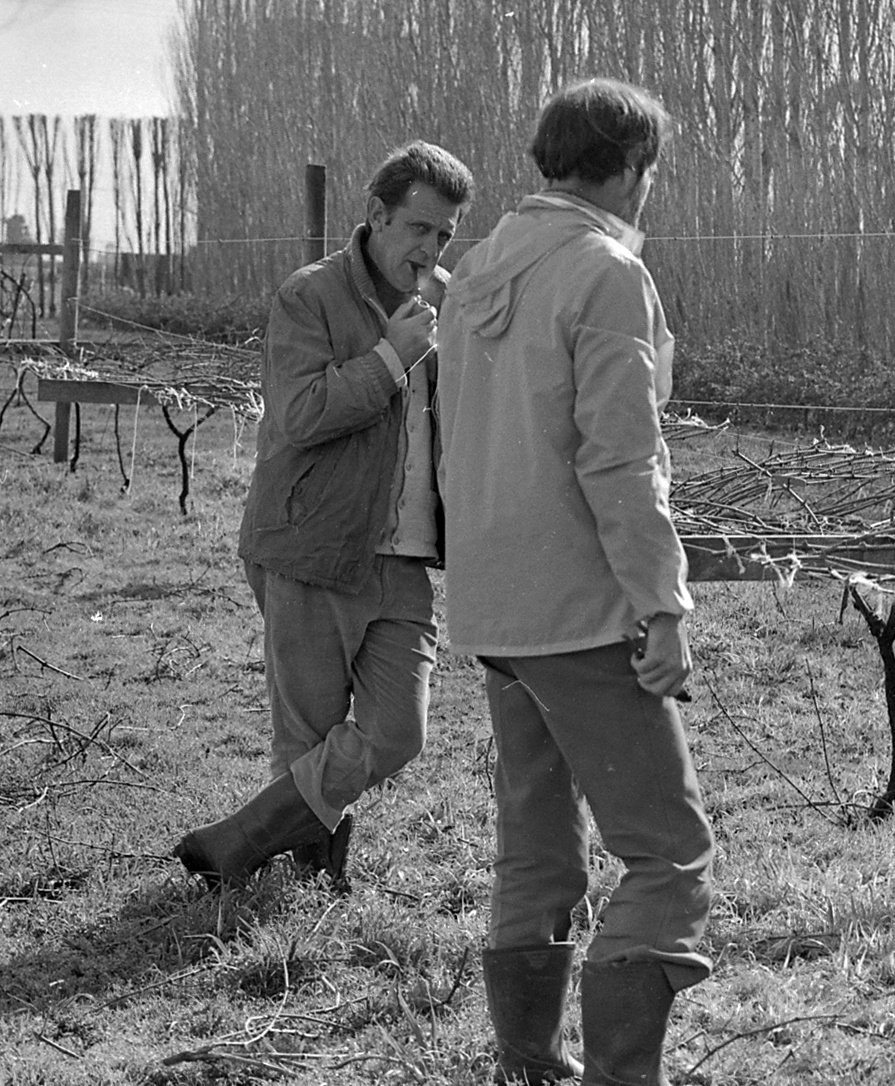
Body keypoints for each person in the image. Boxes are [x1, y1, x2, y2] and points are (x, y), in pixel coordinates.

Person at [436, 78, 712, 1086]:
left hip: (493, 602)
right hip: (578, 606)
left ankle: (525, 1064)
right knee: (667, 852)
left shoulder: (475, 268)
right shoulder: (603, 272)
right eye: (651, 176)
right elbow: (619, 462)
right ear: (633, 170)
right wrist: (662, 603)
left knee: (538, 838)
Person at [175, 141, 475, 890]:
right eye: (420, 228)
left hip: (404, 555)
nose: (432, 247)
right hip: (311, 543)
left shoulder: (447, 300)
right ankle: (309, 879)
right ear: (376, 215)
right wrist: (389, 358)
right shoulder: (308, 296)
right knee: (307, 731)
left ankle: (237, 838)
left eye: (446, 234)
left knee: (398, 731)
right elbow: (300, 414)